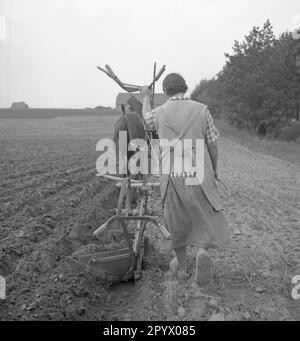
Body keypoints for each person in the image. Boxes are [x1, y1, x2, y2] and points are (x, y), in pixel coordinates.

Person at [140, 73, 229, 286]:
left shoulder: (158, 113)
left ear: (166, 91)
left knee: (176, 219)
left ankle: (181, 269)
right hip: (199, 173)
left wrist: (145, 97)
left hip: (172, 175)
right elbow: (213, 145)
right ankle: (202, 251)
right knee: (203, 214)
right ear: (185, 88)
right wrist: (213, 171)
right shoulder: (202, 110)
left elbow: (145, 119)